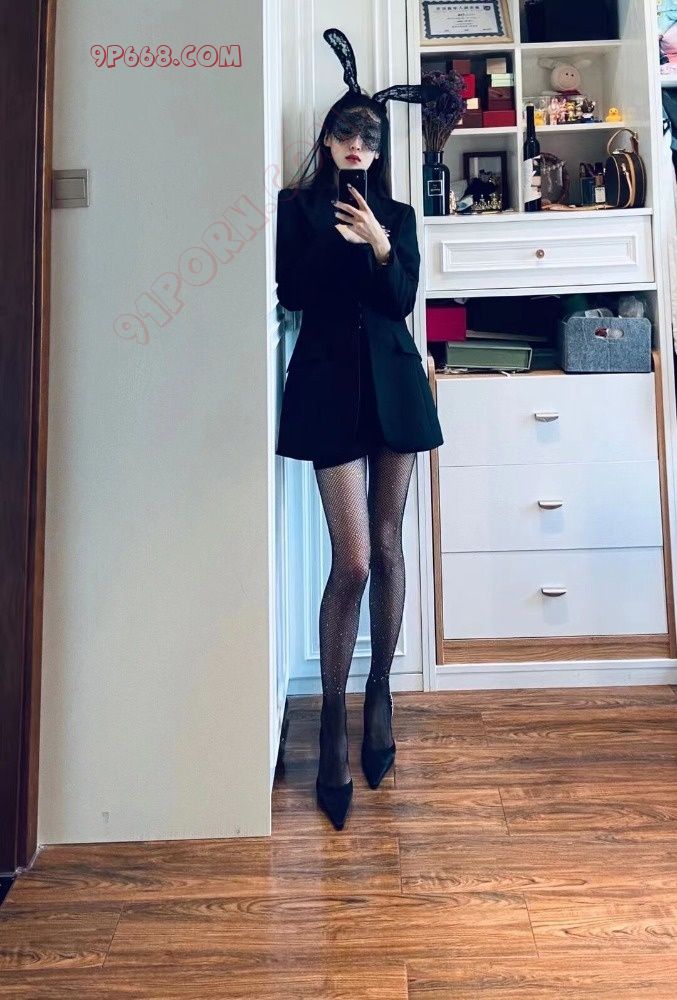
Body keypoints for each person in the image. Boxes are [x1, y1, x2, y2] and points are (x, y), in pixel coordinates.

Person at [274, 28, 445, 830]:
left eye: (369, 138)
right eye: (346, 133)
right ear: (326, 139)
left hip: (394, 388)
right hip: (325, 390)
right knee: (351, 561)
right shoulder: (296, 208)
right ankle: (334, 722)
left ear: (379, 149)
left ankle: (380, 696)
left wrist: (379, 245)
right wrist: (339, 243)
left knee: (387, 546)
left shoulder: (399, 215)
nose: (356, 146)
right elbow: (294, 292)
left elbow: (399, 302)